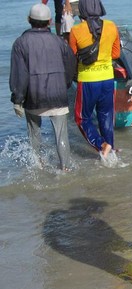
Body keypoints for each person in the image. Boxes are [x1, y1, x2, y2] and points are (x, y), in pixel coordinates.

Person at [10, 3, 77, 171]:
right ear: (49, 21)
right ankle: (65, 169)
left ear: (28, 20)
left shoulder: (20, 43)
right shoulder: (60, 42)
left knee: (34, 134)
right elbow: (71, 66)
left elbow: (19, 74)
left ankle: (38, 167)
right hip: (58, 95)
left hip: (34, 96)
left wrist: (17, 99)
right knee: (62, 135)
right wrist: (65, 85)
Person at [68, 0, 120, 162]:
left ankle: (101, 145)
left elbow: (72, 56)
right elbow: (116, 54)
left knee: (82, 118)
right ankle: (110, 149)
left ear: (82, 10)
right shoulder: (112, 26)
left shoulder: (76, 30)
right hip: (107, 78)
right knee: (106, 115)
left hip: (88, 80)